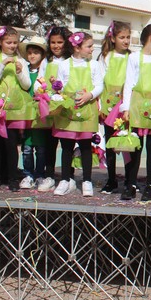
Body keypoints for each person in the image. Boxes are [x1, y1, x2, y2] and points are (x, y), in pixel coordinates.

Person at [52, 32, 104, 197]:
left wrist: (90, 95)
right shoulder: (64, 65)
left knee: (86, 147)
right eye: (89, 46)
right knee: (66, 147)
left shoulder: (94, 65)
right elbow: (60, 87)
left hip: (87, 111)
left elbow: (99, 85)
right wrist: (57, 90)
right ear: (77, 48)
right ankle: (65, 179)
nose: (92, 49)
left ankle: (87, 180)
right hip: (68, 112)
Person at [120, 24, 151, 201]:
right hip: (137, 106)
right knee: (135, 147)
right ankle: (131, 184)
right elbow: (129, 83)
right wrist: (126, 108)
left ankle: (150, 185)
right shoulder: (134, 58)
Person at [0, 26, 33, 192]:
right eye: (8, 42)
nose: (12, 46)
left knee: (11, 145)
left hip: (14, 109)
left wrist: (19, 72)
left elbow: (27, 85)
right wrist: (2, 65)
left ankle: (12, 178)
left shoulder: (21, 61)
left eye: (15, 43)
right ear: (0, 42)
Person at [98, 21, 131, 194]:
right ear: (113, 38)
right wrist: (100, 106)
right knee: (110, 144)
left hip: (125, 106)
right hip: (109, 106)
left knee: (127, 143)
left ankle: (129, 180)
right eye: (122, 37)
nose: (126, 41)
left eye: (128, 37)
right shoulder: (106, 57)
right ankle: (111, 179)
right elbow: (99, 81)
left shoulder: (132, 57)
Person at [39, 26, 72, 192]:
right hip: (49, 106)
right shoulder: (46, 61)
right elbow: (40, 79)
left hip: (65, 106)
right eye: (53, 42)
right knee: (49, 144)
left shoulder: (70, 61)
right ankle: (49, 175)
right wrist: (40, 91)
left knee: (67, 143)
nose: (56, 46)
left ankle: (68, 176)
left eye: (60, 42)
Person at [19, 36, 49, 189]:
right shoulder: (24, 70)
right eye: (30, 53)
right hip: (26, 113)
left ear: (42, 55)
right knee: (27, 147)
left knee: (41, 148)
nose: (32, 56)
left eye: (36, 53)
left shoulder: (45, 71)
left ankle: (40, 174)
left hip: (40, 113)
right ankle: (27, 174)